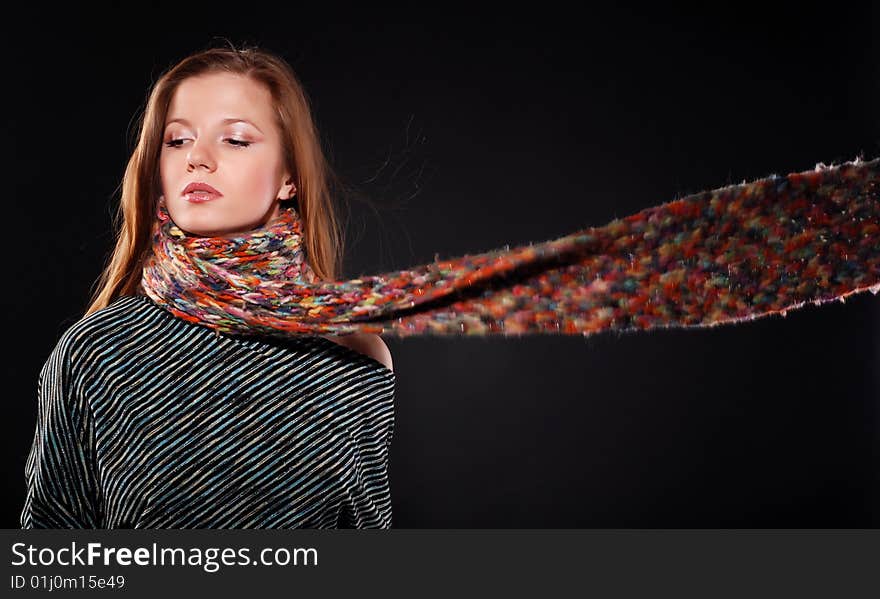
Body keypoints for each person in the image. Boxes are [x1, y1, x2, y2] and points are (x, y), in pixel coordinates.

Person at [20, 43, 396, 528]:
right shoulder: (97, 352)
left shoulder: (354, 358)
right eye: (176, 141)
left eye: (235, 140)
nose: (197, 158)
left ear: (290, 177)